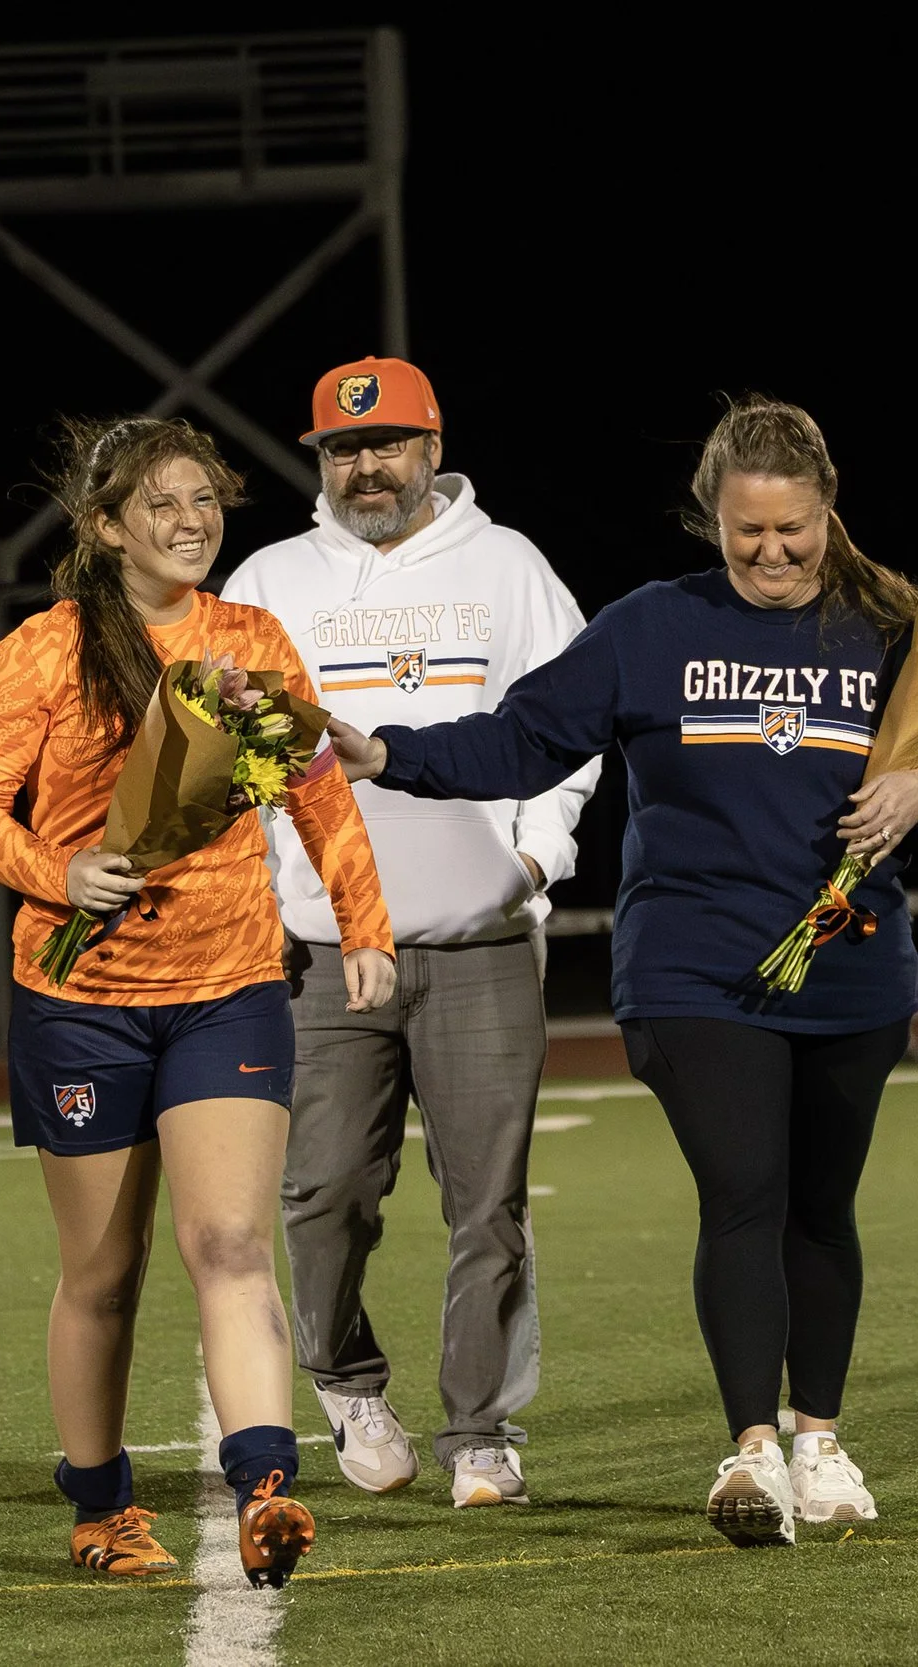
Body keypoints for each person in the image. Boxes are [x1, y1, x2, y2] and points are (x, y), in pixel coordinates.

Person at [326, 396, 918, 1548]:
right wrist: (390, 752)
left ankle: (821, 1438)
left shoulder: (894, 624)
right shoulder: (651, 625)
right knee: (745, 1185)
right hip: (697, 969)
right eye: (747, 531)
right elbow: (522, 737)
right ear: (713, 517)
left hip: (853, 966)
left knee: (821, 1204)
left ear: (827, 509)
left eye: (792, 529)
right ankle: (750, 1448)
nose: (771, 552)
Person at [0, 416, 396, 1587]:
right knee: (103, 1270)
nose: (191, 522)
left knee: (232, 1241)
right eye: (163, 505)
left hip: (228, 985)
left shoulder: (250, 637)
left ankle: (264, 1487)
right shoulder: (39, 653)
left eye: (205, 501)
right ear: (103, 527)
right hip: (80, 994)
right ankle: (100, 1507)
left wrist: (363, 923)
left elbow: (317, 788)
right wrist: (60, 868)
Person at [219, 356, 599, 1508]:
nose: (364, 466)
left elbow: (573, 730)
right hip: (326, 946)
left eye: (386, 444)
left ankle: (482, 1430)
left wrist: (536, 862)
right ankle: (347, 1385)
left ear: (433, 448)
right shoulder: (270, 578)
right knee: (324, 1190)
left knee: (488, 1199)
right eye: (342, 448)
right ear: (319, 459)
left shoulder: (510, 565)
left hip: (477, 940)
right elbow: (223, 761)